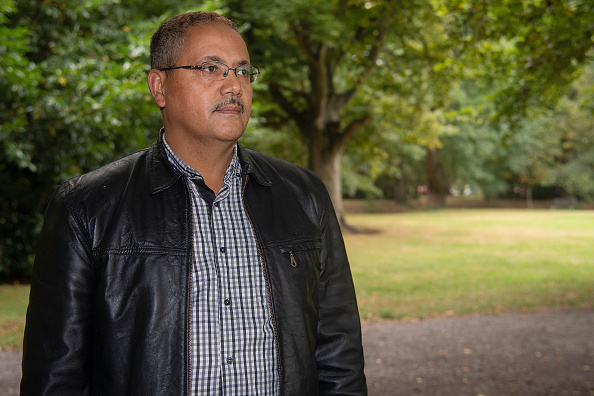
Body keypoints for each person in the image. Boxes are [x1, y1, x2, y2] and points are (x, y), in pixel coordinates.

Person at [21, 11, 366, 396]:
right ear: (159, 87)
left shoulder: (304, 196)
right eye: (210, 68)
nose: (233, 85)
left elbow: (339, 357)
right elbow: (55, 378)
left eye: (242, 71)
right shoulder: (85, 208)